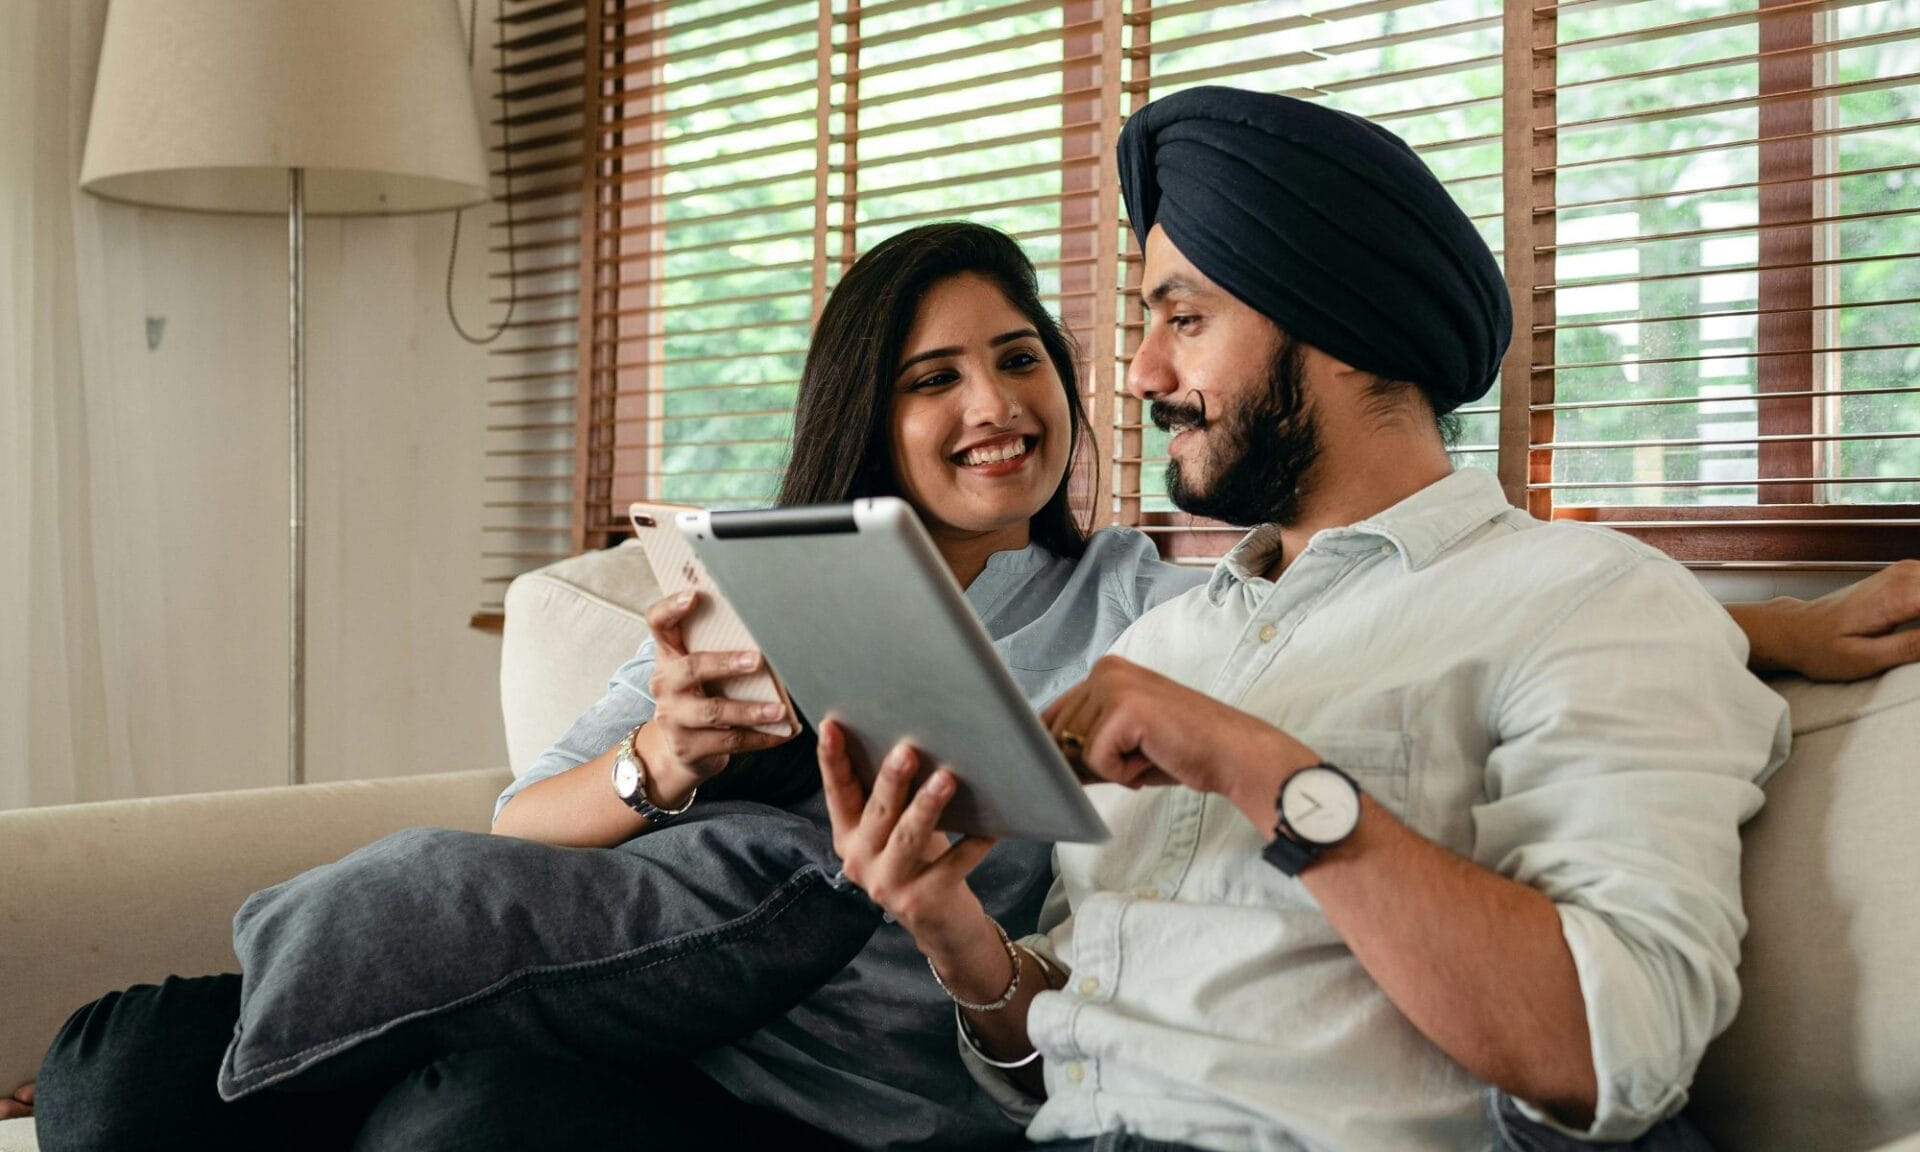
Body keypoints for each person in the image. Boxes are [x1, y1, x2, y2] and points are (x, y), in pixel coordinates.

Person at [19, 217, 1919, 1145]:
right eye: (937, 377)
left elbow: (1410, 582)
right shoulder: (746, 592)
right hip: (614, 974)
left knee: (449, 1125)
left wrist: (1785, 619)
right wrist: (674, 756)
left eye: (1023, 358)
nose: (997, 403)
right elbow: (524, 825)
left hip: (824, 1068)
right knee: (113, 1067)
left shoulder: (1148, 599)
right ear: (872, 408)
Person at [814, 86, 1898, 1152]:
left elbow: (1616, 1055)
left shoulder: (1590, 600)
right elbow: (1067, 1060)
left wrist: (1260, 771)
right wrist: (954, 937)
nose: (1142, 373)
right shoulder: (1161, 647)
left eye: (1185, 319)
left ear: (1340, 329)